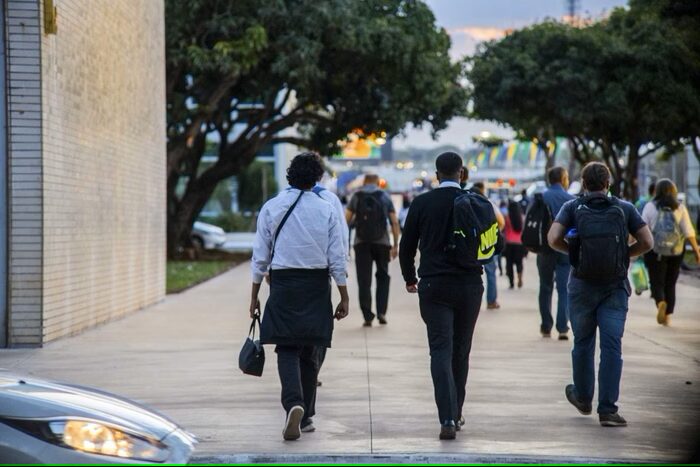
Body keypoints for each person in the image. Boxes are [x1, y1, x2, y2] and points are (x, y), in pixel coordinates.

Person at [249, 152, 349, 440]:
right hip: (317, 284)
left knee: (287, 348)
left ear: (290, 175)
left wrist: (254, 295)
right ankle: (306, 417)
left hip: (283, 284)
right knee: (311, 348)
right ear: (318, 178)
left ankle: (293, 403)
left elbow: (260, 257)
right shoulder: (326, 208)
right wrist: (343, 295)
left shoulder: (272, 207)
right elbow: (337, 258)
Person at [548, 162, 653, 427]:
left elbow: (552, 238)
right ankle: (608, 410)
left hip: (581, 285)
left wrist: (574, 254)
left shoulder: (571, 207)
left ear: (583, 183)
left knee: (583, 343)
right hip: (614, 287)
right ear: (608, 183)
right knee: (611, 347)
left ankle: (583, 398)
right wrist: (624, 255)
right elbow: (647, 242)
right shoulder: (625, 208)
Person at [399, 152, 485, 440]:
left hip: (434, 286)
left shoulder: (422, 203)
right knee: (462, 350)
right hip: (470, 285)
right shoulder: (476, 202)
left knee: (440, 350)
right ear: (462, 173)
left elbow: (406, 246)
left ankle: (446, 418)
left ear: (437, 175)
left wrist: (410, 277)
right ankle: (457, 411)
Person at [641, 179, 700, 326]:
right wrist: (696, 251)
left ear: (657, 191)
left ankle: (660, 302)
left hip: (655, 251)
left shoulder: (650, 206)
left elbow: (642, 228)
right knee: (670, 282)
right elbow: (688, 232)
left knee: (656, 281)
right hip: (676, 251)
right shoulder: (679, 207)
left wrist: (635, 248)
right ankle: (667, 315)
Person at [345, 174, 401, 326]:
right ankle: (381, 312)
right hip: (382, 242)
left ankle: (367, 315)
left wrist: (344, 245)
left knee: (364, 280)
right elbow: (394, 222)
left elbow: (346, 221)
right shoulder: (384, 196)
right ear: (378, 182)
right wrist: (395, 245)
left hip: (361, 243)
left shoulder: (356, 197)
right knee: (383, 276)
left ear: (363, 182)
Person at [537, 167, 575, 340]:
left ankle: (546, 326)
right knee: (564, 288)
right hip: (564, 247)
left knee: (545, 287)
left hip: (545, 248)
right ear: (562, 178)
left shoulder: (540, 197)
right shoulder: (571, 200)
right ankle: (562, 327)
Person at [471, 181, 505, 309]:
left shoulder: (464, 203)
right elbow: (501, 222)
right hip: (488, 243)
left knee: (471, 272)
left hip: (470, 245)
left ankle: (472, 302)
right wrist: (493, 234)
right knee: (491, 273)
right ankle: (491, 301)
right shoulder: (488, 203)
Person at [503, 200, 526, 289]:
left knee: (509, 264)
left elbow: (503, 230)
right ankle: (520, 278)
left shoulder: (506, 217)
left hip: (509, 244)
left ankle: (511, 283)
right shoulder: (522, 218)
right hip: (520, 244)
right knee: (519, 263)